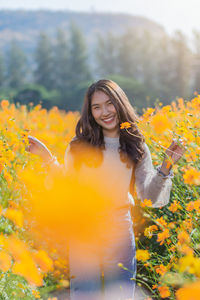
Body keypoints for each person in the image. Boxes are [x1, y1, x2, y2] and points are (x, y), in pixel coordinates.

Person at [27, 79, 185, 300]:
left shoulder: (136, 145)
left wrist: (166, 165)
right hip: (83, 227)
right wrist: (47, 158)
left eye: (109, 103)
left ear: (120, 103)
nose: (105, 112)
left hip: (119, 227)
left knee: (120, 294)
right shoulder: (78, 146)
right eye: (97, 107)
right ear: (90, 112)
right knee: (84, 294)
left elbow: (149, 196)